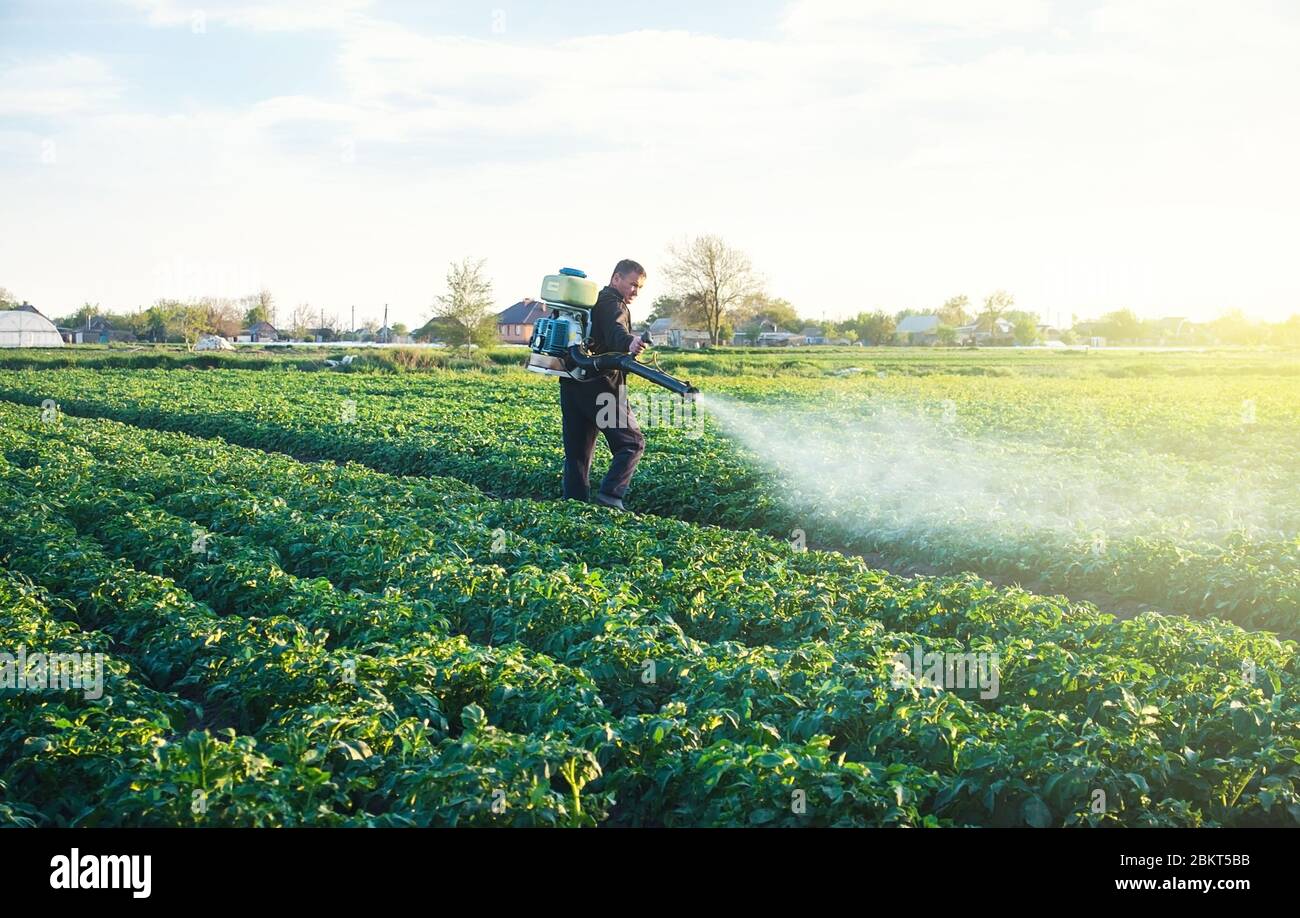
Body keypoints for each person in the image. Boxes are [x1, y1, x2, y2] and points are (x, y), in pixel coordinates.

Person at [558, 259, 648, 510]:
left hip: (573, 383)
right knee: (631, 443)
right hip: (601, 387)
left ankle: (573, 508)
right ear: (616, 278)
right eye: (632, 284)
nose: (635, 292)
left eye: (639, 287)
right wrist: (629, 343)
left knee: (577, 454)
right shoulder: (612, 303)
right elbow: (616, 330)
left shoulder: (591, 303)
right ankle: (610, 497)